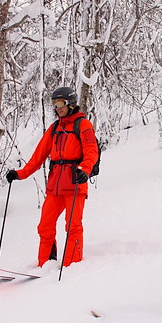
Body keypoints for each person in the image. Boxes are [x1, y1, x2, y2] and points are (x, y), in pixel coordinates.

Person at [6, 86, 99, 267]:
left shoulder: (83, 125)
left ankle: (72, 265)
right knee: (45, 226)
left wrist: (85, 170)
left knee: (72, 226)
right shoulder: (55, 127)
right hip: (55, 185)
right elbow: (38, 155)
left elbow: (91, 151)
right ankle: (45, 264)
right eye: (54, 104)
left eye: (60, 103)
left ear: (70, 103)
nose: (57, 108)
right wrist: (20, 174)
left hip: (75, 182)